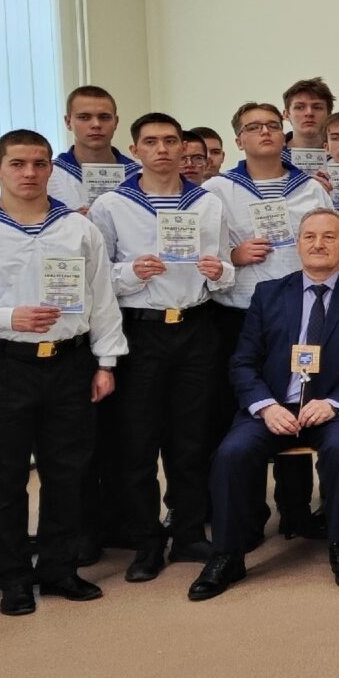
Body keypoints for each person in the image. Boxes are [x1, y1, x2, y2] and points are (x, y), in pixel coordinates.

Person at [0, 129, 126, 617]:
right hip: (2, 365)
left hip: (70, 363)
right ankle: (12, 578)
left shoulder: (77, 228)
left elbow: (102, 298)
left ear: (51, 168)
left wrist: (105, 361)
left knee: (67, 473)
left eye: (39, 163)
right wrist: (4, 317)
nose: (29, 173)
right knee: (4, 477)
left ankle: (58, 568)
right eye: (17, 164)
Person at [193, 208, 339, 598]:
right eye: (309, 237)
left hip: (335, 409)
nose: (318, 244)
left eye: (329, 237)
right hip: (275, 404)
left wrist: (334, 403)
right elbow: (243, 361)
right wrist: (266, 406)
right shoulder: (269, 293)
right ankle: (226, 555)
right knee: (231, 453)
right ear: (298, 244)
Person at [90, 112, 233, 582]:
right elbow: (96, 277)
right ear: (135, 150)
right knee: (138, 441)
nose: (163, 150)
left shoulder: (206, 202)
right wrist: (131, 272)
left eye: (171, 141)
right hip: (140, 330)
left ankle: (188, 531)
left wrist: (220, 272)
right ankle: (146, 541)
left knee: (191, 438)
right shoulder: (112, 204)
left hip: (195, 327)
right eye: (151, 142)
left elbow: (225, 269)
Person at [205, 101, 335, 538]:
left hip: (300, 314)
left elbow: (328, 242)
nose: (264, 132)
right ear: (238, 139)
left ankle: (295, 509)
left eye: (271, 126)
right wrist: (234, 255)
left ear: (284, 134)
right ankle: (247, 514)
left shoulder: (309, 188)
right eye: (253, 127)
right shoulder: (218, 190)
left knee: (297, 402)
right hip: (239, 311)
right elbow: (203, 254)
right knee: (247, 412)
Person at [47, 85, 137, 211]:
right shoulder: (48, 174)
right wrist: (67, 220)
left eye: (104, 117)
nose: (96, 124)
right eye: (84, 117)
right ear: (68, 122)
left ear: (116, 122)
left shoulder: (139, 175)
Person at [281, 77, 335, 171]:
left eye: (317, 107)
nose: (309, 113)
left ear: (329, 114)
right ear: (286, 114)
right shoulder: (271, 155)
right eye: (299, 107)